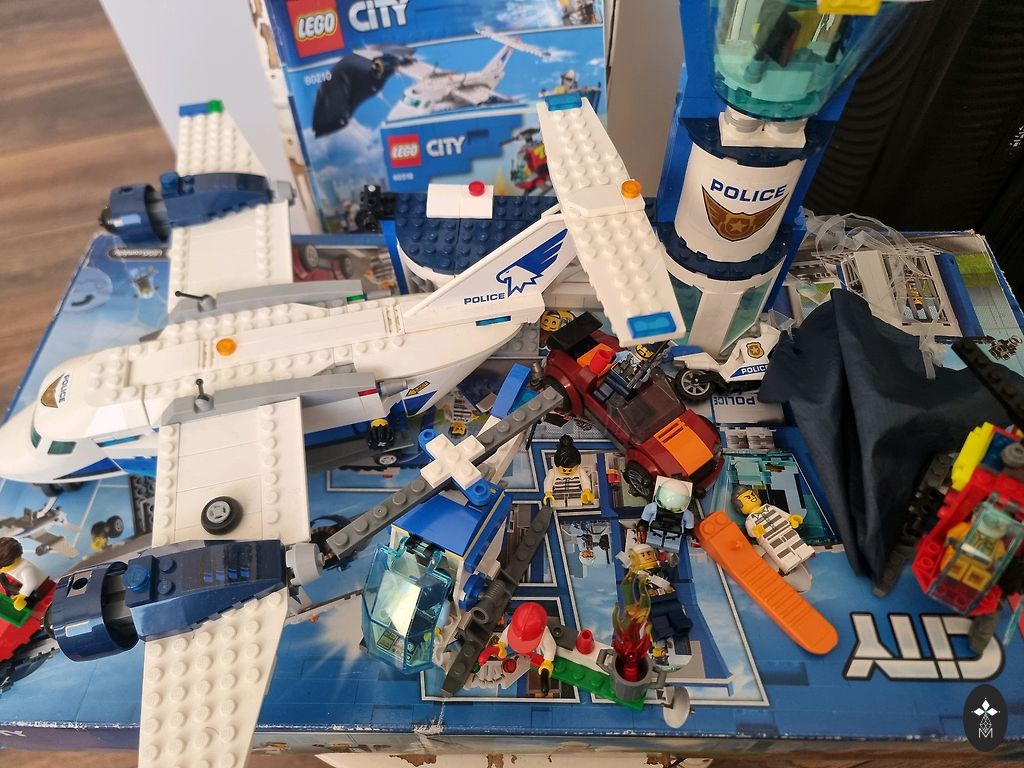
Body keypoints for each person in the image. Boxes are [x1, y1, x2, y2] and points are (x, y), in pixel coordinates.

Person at [543, 434, 595, 507]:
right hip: (558, 497)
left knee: (576, 505)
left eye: (570, 470)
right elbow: (548, 482)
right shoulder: (553, 472)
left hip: (576, 495)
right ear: (557, 465)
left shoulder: (580, 471)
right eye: (564, 470)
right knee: (558, 505)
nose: (567, 472)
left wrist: (586, 491)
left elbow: (585, 481)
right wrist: (548, 493)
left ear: (577, 465)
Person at [0, 537, 47, 612]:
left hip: (40, 590)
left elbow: (30, 584)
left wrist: (21, 597)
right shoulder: (10, 568)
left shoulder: (25, 568)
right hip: (24, 588)